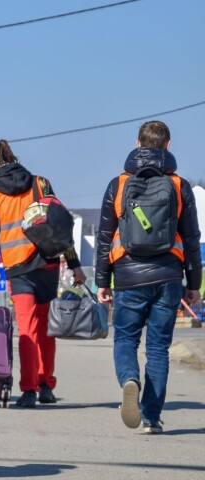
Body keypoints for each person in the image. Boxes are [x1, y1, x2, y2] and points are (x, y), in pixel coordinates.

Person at [95, 121, 201, 434]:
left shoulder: (118, 184)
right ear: (167, 146)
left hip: (128, 275)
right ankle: (151, 418)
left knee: (126, 339)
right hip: (169, 275)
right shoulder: (179, 186)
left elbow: (104, 238)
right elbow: (191, 237)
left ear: (138, 144)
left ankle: (129, 379)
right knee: (157, 349)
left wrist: (103, 281)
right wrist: (193, 283)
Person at [0, 140, 86, 408]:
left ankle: (28, 389)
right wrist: (74, 264)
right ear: (14, 159)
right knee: (46, 328)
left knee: (27, 329)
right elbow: (61, 225)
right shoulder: (40, 184)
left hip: (18, 268)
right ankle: (46, 385)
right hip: (47, 263)